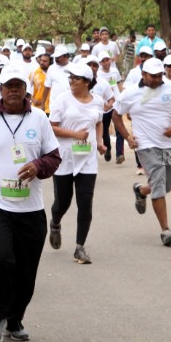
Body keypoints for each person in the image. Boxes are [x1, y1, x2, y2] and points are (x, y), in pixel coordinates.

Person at [0, 68, 61, 342]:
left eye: (18, 85)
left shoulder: (40, 118)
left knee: (26, 268)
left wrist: (38, 166)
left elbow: (54, 158)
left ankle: (15, 317)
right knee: (4, 258)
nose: (13, 90)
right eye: (8, 86)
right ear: (1, 89)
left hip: (30, 207)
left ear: (26, 89)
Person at [112, 58, 171, 247]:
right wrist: (127, 137)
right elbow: (116, 115)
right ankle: (166, 230)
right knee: (158, 177)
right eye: (153, 76)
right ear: (143, 75)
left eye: (159, 76)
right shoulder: (130, 93)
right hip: (145, 144)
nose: (157, 79)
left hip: (168, 143)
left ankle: (141, 190)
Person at [49, 63, 105, 263]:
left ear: (87, 82)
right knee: (62, 202)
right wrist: (75, 134)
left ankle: (80, 247)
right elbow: (52, 127)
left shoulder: (97, 101)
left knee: (85, 204)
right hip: (64, 158)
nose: (71, 80)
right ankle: (55, 223)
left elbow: (98, 122)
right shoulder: (62, 100)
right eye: (70, 77)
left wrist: (99, 142)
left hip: (87, 160)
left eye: (76, 78)